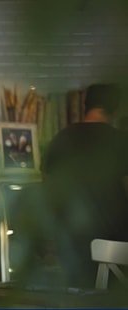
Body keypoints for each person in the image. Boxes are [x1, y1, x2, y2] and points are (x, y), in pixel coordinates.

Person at [42, 83, 128, 288]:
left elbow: (46, 194)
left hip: (71, 248)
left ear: (85, 105)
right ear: (114, 110)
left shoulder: (60, 140)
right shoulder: (121, 142)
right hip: (115, 248)